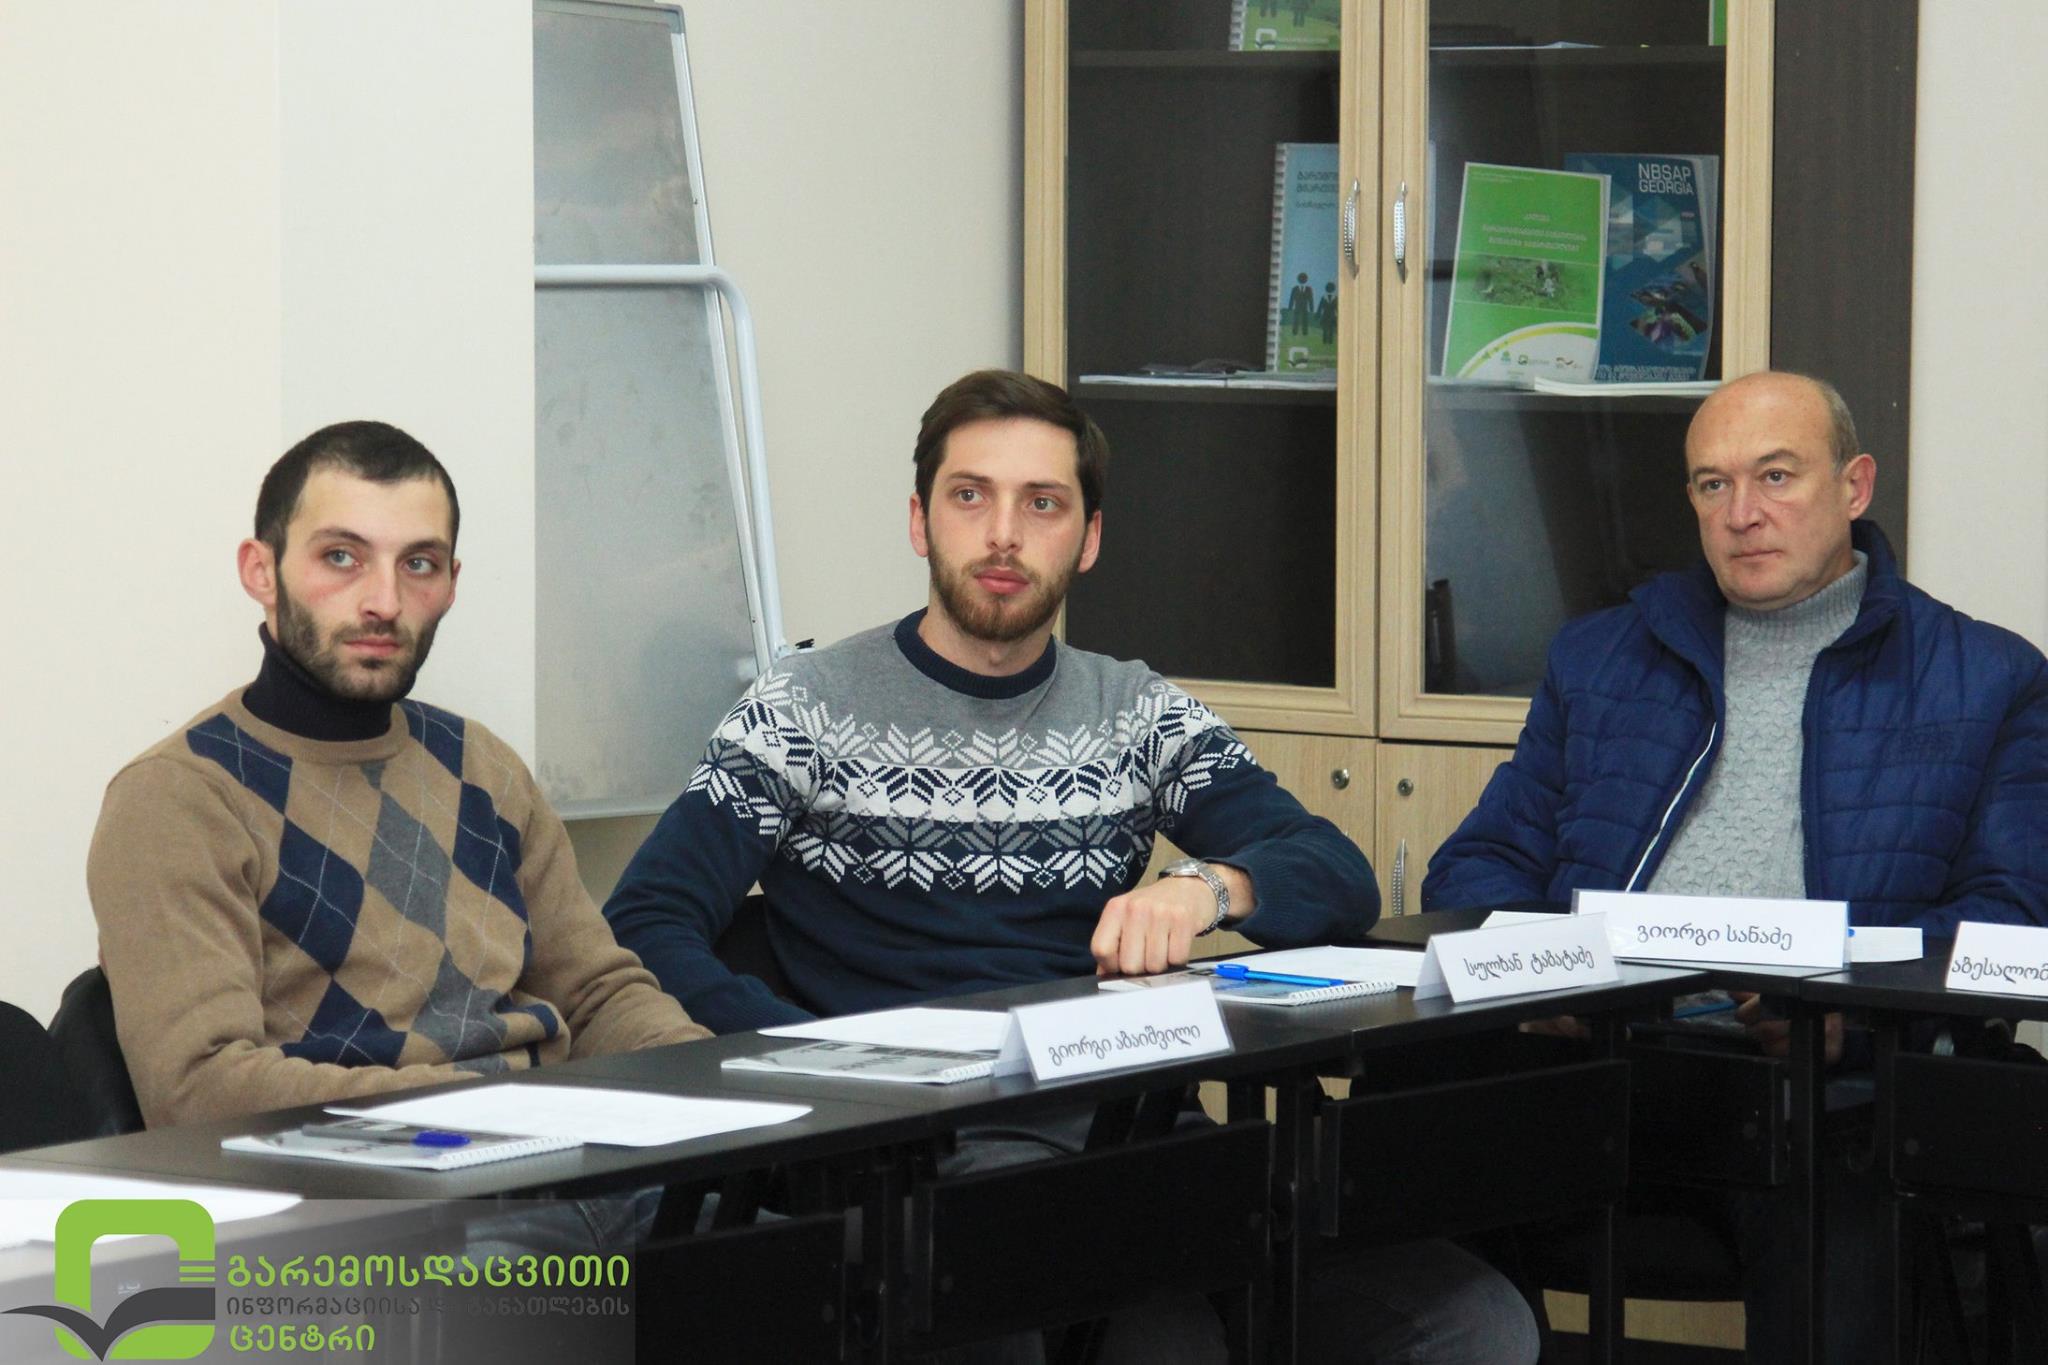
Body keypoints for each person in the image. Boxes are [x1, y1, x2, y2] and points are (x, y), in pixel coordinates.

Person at [605, 369, 1539, 1364]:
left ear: (1088, 539)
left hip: (1136, 1133)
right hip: (929, 1155)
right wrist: (814, 1055)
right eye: (970, 496)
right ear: (919, 522)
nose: (1003, 534)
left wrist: (1206, 887)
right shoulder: (804, 707)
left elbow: (1332, 868)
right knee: (1160, 1343)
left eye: (1042, 504)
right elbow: (646, 920)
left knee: (1476, 1326)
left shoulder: (1134, 711)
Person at [1424, 370, 2048, 1358]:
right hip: (1601, 1062)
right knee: (1397, 1125)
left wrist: (1847, 1005)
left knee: (1850, 1192)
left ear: (1853, 486)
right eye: (1712, 485)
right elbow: (1479, 863)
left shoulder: (1985, 677)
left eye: (1774, 476)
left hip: (1819, 1085)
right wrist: (1542, 972)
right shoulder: (1602, 657)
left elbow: (2009, 917)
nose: (1741, 513)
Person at [88, 421, 708, 1132]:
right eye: (341, 556)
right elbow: (199, 1090)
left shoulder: (482, 765)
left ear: (451, 584)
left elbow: (598, 997)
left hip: (561, 1148)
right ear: (261, 571)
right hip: (362, 1183)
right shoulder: (178, 798)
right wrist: (498, 1109)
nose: (384, 601)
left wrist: (725, 1094)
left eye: (418, 563)